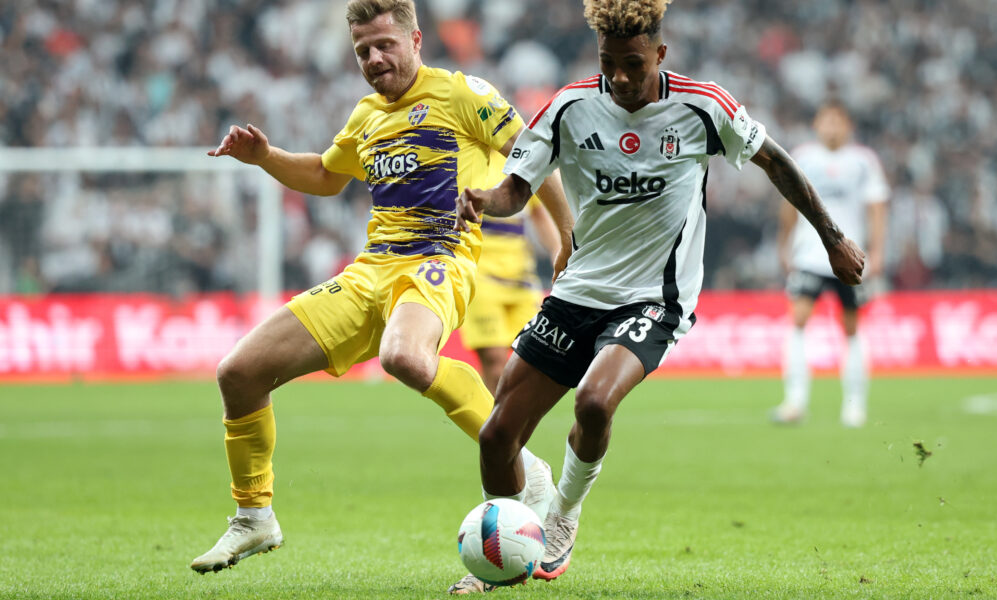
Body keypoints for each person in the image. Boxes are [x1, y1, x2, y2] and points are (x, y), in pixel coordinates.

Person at [450, 0, 865, 589]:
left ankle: (563, 512)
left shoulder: (703, 107)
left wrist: (833, 238)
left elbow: (777, 162)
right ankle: (502, 562)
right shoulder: (569, 107)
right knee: (496, 437)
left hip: (655, 297)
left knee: (594, 402)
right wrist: (483, 200)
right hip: (577, 291)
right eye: (609, 63)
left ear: (660, 54)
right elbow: (517, 189)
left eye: (634, 65)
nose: (619, 78)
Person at [189, 0, 573, 574]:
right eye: (363, 50)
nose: (373, 59)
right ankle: (254, 517)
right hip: (370, 272)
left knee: (404, 357)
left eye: (385, 45)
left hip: (440, 260)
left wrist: (566, 236)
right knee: (238, 372)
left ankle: (527, 465)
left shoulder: (462, 94)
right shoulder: (366, 115)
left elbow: (533, 154)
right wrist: (265, 156)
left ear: (415, 40)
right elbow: (325, 175)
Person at [772, 101, 889, 428]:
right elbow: (788, 204)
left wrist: (877, 252)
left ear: (849, 126)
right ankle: (795, 402)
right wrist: (784, 245)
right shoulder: (803, 157)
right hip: (809, 255)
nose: (832, 127)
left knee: (851, 327)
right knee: (798, 320)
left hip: (851, 258)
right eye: (827, 121)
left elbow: (877, 208)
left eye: (838, 122)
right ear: (816, 125)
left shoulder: (864, 161)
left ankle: (854, 406)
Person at [459, 155, 562, 394]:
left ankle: (508, 417)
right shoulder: (468, 157)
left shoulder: (521, 159)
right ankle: (493, 417)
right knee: (495, 362)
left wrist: (559, 251)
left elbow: (539, 215)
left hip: (522, 278)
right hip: (480, 277)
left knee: (531, 360)